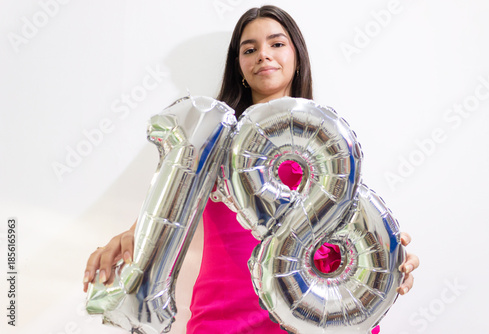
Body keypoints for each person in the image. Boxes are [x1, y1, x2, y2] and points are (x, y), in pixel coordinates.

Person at [83, 5, 419, 334]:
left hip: (313, 316)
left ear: (297, 56)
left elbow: (345, 227)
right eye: (250, 48)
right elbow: (168, 210)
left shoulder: (328, 146)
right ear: (239, 65)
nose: (263, 54)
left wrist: (386, 259)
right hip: (224, 319)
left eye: (276, 43)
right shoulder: (212, 137)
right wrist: (132, 239)